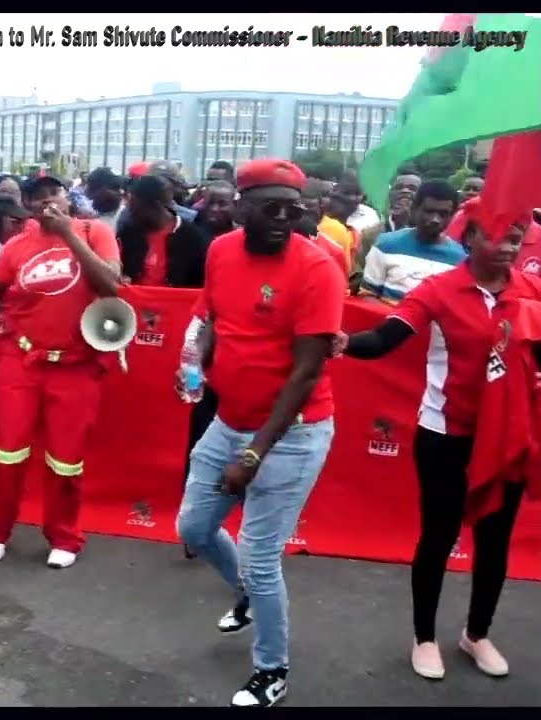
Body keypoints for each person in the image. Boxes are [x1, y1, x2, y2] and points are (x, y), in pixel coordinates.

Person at [339, 206, 541, 681]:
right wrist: (340, 341)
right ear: (469, 238)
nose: (508, 248)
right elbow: (386, 338)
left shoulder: (533, 291)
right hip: (446, 433)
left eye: (516, 240)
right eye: (497, 238)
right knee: (439, 536)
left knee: (495, 539)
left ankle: (477, 634)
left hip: (507, 434)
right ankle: (425, 637)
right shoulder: (438, 291)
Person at [175, 159, 345, 707]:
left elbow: (307, 372)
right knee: (194, 528)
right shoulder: (221, 251)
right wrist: (196, 359)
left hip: (292, 433)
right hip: (230, 418)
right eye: (270, 208)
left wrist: (252, 455)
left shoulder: (317, 269)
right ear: (240, 208)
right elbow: (211, 318)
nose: (283, 220)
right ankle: (247, 595)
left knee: (260, 555)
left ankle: (272, 670)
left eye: (293, 210)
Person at [0, 174, 123, 569]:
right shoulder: (16, 246)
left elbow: (112, 285)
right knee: (8, 452)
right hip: (21, 360)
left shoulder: (95, 232)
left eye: (53, 193)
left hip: (76, 365)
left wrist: (68, 235)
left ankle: (64, 535)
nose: (47, 202)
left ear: (67, 197)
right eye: (37, 197)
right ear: (27, 206)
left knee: (66, 459)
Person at [359, 181, 464, 304]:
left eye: (443, 214)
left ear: (453, 215)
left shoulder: (460, 259)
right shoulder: (385, 245)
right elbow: (367, 295)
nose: (435, 219)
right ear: (414, 209)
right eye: (429, 211)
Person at [116, 175, 207, 287]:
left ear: (155, 205)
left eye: (135, 206)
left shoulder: (192, 237)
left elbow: (199, 282)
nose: (130, 210)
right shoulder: (128, 233)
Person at [195, 180, 238, 245]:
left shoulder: (243, 233)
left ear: (235, 204)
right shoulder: (193, 231)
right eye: (210, 203)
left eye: (222, 204)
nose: (214, 209)